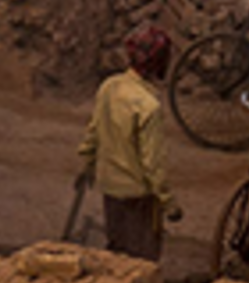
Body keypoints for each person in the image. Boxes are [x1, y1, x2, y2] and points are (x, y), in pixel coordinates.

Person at [75, 25, 181, 261]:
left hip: (110, 188)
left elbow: (93, 132)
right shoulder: (148, 106)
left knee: (117, 248)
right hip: (138, 195)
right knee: (142, 258)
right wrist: (169, 202)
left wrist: (86, 164)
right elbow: (152, 165)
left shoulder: (110, 86)